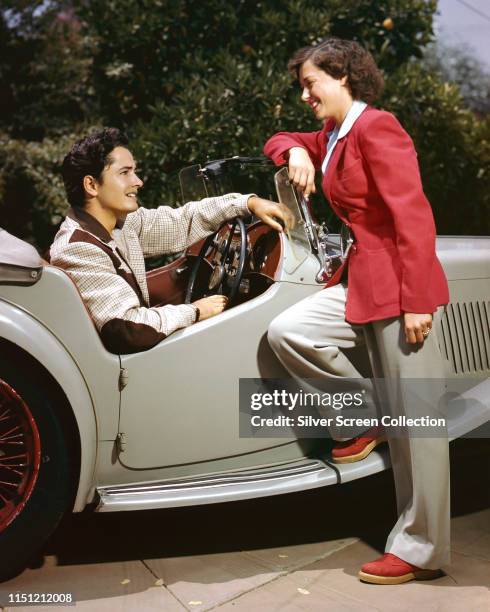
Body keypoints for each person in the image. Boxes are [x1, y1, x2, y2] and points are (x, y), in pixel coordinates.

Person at [264, 38, 450, 584]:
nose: (305, 95)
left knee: (419, 426)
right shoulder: (332, 136)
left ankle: (423, 548)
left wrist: (419, 300)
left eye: (311, 83)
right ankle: (367, 418)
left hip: (398, 287)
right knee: (289, 332)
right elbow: (280, 138)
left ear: (343, 76)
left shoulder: (377, 128)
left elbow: (414, 218)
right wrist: (295, 152)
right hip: (360, 282)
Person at [50, 127, 286, 354]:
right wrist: (195, 311)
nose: (138, 181)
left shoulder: (119, 223)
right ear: (91, 185)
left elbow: (182, 221)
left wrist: (247, 203)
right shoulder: (78, 248)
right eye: (125, 173)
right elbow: (127, 328)